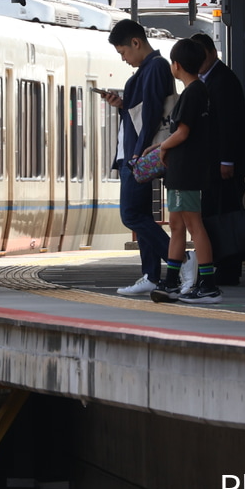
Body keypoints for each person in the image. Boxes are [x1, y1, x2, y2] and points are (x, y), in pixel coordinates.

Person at [100, 20, 177, 296]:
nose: (124, 59)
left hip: (137, 156)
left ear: (135, 42)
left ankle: (179, 261)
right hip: (132, 154)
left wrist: (138, 154)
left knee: (131, 214)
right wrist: (122, 106)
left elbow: (152, 114)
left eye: (123, 52)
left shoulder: (155, 67)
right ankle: (151, 275)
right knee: (141, 214)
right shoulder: (147, 70)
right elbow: (139, 114)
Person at [150, 38, 221, 305]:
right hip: (182, 170)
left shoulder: (193, 93)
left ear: (176, 65)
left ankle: (208, 284)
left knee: (193, 224)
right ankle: (171, 280)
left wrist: (160, 148)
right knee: (178, 225)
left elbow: (183, 132)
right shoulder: (197, 91)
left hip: (187, 170)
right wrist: (161, 147)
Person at [191, 32, 245, 285]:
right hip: (214, 163)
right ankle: (223, 265)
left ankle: (229, 268)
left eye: (200, 56)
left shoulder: (223, 80)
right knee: (216, 212)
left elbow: (230, 124)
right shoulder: (209, 79)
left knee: (225, 213)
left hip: (224, 163)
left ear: (212, 53)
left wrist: (227, 160)